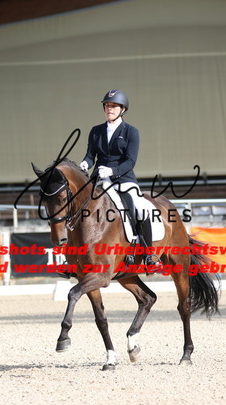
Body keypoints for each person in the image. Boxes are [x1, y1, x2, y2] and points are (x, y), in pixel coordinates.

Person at [79, 89, 160, 272]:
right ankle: (73, 258)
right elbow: (91, 156)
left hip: (124, 180)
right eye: (107, 105)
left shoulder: (131, 132)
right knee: (79, 210)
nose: (110, 109)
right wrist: (85, 163)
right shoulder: (96, 131)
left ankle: (148, 255)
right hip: (99, 180)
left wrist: (112, 171)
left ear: (123, 109)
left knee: (140, 210)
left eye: (114, 106)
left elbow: (130, 161)